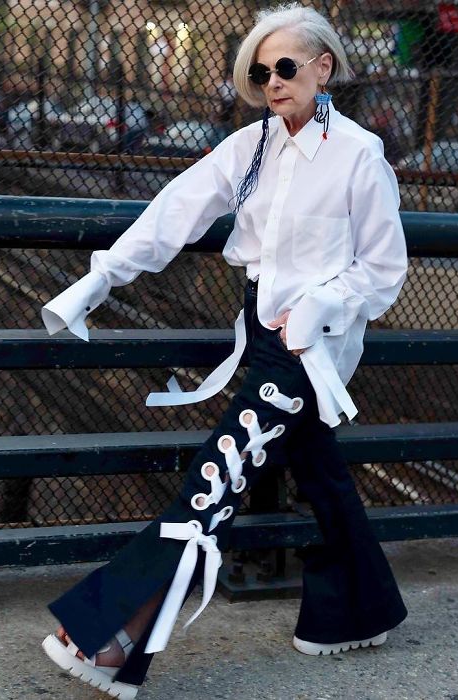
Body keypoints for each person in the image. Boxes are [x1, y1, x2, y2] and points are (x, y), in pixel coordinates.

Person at [39, 3, 409, 698]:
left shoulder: (358, 153)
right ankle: (361, 611)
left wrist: (323, 304)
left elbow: (385, 270)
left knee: (216, 477)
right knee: (320, 475)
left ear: (323, 68)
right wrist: (99, 279)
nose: (273, 82)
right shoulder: (251, 147)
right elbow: (173, 212)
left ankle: (113, 633)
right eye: (262, 72)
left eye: (286, 67)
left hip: (313, 348)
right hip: (263, 332)